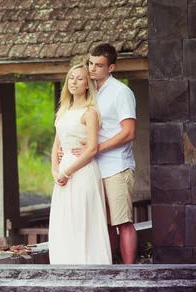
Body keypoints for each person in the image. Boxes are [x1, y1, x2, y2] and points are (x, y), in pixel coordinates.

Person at [63, 44, 138, 264]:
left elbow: (129, 132)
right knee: (103, 224)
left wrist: (94, 149)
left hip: (116, 166)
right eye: (90, 64)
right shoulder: (92, 93)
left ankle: (130, 273)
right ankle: (111, 269)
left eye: (99, 65)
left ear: (111, 67)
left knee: (122, 222)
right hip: (93, 169)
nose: (92, 68)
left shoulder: (121, 92)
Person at [48, 63, 112, 264]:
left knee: (82, 218)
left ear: (87, 84)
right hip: (63, 171)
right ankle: (64, 263)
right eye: (71, 78)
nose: (74, 82)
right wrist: (55, 171)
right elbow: (56, 146)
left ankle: (89, 263)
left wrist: (68, 172)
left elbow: (92, 149)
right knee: (64, 219)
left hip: (82, 170)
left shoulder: (90, 111)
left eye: (79, 78)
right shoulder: (63, 111)